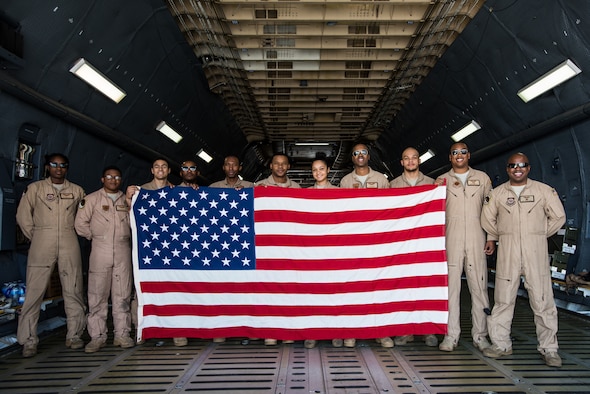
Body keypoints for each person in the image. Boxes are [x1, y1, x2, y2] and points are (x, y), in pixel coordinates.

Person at [481, 152, 565, 367]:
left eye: (521, 165)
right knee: (503, 299)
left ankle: (549, 349)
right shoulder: (497, 194)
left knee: (542, 299)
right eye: (512, 166)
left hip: (535, 250)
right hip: (508, 249)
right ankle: (501, 344)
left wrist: (538, 233)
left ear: (528, 168)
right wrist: (502, 235)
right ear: (507, 169)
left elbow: (558, 217)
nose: (517, 169)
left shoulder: (544, 191)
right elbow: (487, 219)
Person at [15, 153, 87, 358]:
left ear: (67, 168)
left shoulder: (77, 191)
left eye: (63, 165)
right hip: (42, 239)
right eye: (54, 165)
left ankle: (74, 335)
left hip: (68, 238)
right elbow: (22, 216)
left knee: (73, 289)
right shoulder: (35, 189)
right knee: (34, 292)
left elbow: (83, 216)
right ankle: (28, 340)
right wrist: (37, 236)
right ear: (47, 167)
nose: (58, 168)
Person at [434, 142, 495, 352]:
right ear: (450, 157)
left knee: (479, 289)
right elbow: (434, 213)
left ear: (468, 155)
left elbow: (491, 210)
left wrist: (491, 237)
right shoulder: (441, 180)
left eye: (462, 152)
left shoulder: (483, 178)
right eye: (454, 153)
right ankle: (451, 336)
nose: (459, 155)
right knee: (451, 290)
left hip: (478, 238)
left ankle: (481, 336)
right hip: (451, 239)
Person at [126, 157, 187, 347]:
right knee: (144, 288)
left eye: (164, 167)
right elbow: (131, 213)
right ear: (152, 170)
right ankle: (143, 328)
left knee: (174, 289)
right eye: (157, 167)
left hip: (172, 248)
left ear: (169, 170)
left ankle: (177, 330)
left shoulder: (177, 192)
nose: (160, 169)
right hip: (148, 248)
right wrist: (129, 197)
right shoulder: (140, 192)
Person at [338, 144, 393, 348]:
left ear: (368, 156)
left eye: (363, 153)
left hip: (377, 242)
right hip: (353, 243)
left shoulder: (381, 180)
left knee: (378, 287)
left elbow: (390, 209)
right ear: (352, 158)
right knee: (353, 288)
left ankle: (381, 332)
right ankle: (352, 331)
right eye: (356, 153)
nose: (360, 156)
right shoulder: (345, 181)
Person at [75, 166, 134, 353]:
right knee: (97, 295)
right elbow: (80, 224)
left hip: (123, 249)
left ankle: (122, 334)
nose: (113, 180)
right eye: (109, 176)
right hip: (100, 250)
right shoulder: (91, 199)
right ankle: (97, 336)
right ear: (102, 179)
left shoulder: (128, 200)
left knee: (122, 294)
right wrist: (97, 236)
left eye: (117, 177)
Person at [389, 147, 438, 348]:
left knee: (426, 286)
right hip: (401, 244)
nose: (410, 161)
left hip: (424, 243)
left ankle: (427, 331)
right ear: (401, 162)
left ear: (419, 160)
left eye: (414, 158)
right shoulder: (392, 185)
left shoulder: (432, 184)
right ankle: (405, 330)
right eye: (406, 158)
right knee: (402, 288)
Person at [256, 153, 300, 345]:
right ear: (270, 166)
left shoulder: (297, 188)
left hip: (290, 247)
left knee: (289, 290)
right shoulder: (259, 187)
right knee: (268, 289)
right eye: (276, 164)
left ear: (288, 166)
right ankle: (270, 331)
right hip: (268, 248)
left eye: (283, 164)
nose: (280, 167)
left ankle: (287, 331)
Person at [303, 156, 342, 349]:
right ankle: (313, 333)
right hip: (313, 251)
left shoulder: (339, 193)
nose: (318, 173)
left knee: (333, 293)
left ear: (328, 170)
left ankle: (335, 332)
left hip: (333, 250)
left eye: (321, 169)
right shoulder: (305, 194)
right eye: (314, 170)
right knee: (313, 293)